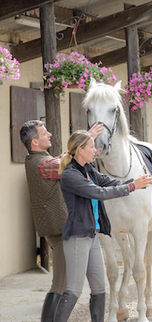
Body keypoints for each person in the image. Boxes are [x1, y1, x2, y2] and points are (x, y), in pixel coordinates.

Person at [53, 130, 152, 322]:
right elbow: (100, 192)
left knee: (99, 289)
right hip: (77, 238)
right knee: (73, 290)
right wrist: (132, 187)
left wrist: (149, 180)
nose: (96, 150)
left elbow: (114, 182)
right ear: (81, 150)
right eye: (91, 147)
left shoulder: (88, 171)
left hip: (92, 236)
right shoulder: (71, 175)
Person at [19, 120, 103, 322]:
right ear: (34, 143)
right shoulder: (41, 163)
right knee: (61, 285)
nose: (49, 134)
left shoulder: (41, 159)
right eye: (44, 133)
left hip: (59, 229)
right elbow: (65, 165)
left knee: (62, 284)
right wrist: (84, 140)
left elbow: (60, 160)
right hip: (59, 232)